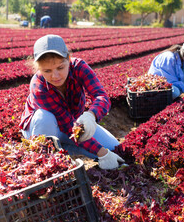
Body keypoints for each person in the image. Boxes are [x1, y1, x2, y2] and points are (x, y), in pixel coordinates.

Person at [19, 34, 125, 170]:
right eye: (47, 71)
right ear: (38, 69)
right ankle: (46, 158)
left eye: (60, 68)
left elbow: (101, 96)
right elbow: (68, 125)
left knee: (114, 149)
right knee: (44, 117)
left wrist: (91, 115)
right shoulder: (38, 86)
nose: (55, 76)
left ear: (68, 59)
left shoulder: (79, 67)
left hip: (72, 125)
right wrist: (102, 153)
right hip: (42, 128)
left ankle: (64, 148)